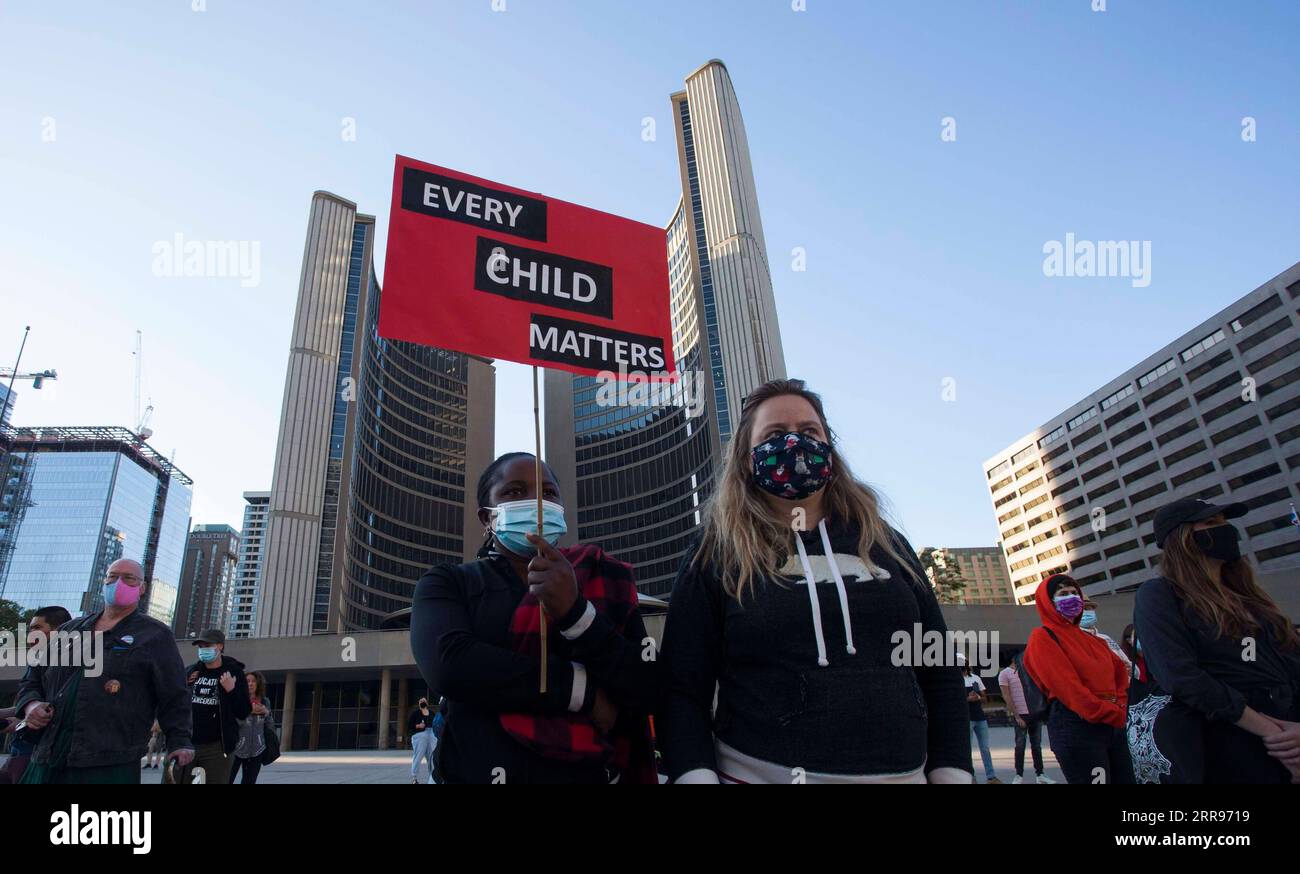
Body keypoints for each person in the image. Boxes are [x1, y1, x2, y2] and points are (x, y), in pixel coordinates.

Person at [659, 378, 973, 783]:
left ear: (829, 445)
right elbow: (681, 686)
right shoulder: (715, 550)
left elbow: (939, 667)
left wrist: (952, 772)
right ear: (747, 457)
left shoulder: (886, 542)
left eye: (808, 432)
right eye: (775, 434)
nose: (794, 443)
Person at [410, 452, 660, 784]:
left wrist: (575, 613)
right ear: (487, 518)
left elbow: (642, 683)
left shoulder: (600, 576)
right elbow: (450, 664)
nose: (536, 502)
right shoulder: (448, 583)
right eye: (514, 491)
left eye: (549, 492)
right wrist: (581, 691)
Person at [1133, 498, 1300, 783]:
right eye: (1211, 523)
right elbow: (1180, 676)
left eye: (1224, 522)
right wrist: (1274, 734)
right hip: (1229, 741)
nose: (1225, 530)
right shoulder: (1160, 594)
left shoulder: (1251, 597)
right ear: (1183, 539)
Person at [14, 560, 194, 783]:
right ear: (104, 581)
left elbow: (174, 694)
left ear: (142, 588)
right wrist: (31, 705)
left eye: (129, 578)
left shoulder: (155, 635)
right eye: (113, 576)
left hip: (109, 761)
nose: (119, 583)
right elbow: (31, 681)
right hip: (48, 755)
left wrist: (180, 741)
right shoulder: (69, 630)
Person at [1024, 574, 1133, 784]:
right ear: (1048, 602)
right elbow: (1067, 687)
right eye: (1063, 594)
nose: (1071, 597)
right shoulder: (1043, 637)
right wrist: (1109, 711)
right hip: (1077, 724)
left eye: (1075, 593)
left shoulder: (1094, 640)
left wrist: (1120, 705)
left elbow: (1120, 672)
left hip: (1113, 723)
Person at [2, 605, 72, 784]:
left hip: (40, 750)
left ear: (59, 631)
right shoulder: (39, 660)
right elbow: (30, 701)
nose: (30, 635)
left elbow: (58, 705)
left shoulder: (71, 663)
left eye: (37, 628)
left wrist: (25, 720)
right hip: (22, 746)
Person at [183, 628, 250, 785]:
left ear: (219, 646)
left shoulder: (234, 673)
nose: (202, 650)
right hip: (187, 742)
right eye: (200, 647)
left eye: (207, 645)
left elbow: (243, 711)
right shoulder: (191, 672)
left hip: (217, 747)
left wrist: (231, 690)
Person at [997, 654, 1052, 784]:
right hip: (1020, 715)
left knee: (1037, 746)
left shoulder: (1028, 671)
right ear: (1013, 659)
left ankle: (1040, 774)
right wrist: (1016, 716)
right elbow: (1006, 696)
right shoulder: (1005, 674)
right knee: (1020, 745)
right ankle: (1018, 775)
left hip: (1034, 713)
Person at [960, 653, 1000, 783]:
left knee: (985, 748)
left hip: (980, 717)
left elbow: (985, 698)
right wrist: (967, 699)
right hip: (967, 718)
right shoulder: (956, 680)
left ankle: (991, 776)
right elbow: (954, 701)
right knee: (968, 749)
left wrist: (977, 697)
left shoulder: (975, 678)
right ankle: (971, 777)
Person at [229, 671, 274, 784]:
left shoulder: (264, 701)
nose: (250, 684)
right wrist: (248, 712)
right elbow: (231, 723)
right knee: (227, 779)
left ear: (258, 684)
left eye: (253, 681)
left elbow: (270, 726)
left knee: (250, 781)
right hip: (236, 748)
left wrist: (267, 713)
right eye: (247, 681)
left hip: (257, 749)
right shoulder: (237, 700)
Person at [1080, 599, 1132, 672]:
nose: (1085, 612)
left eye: (1088, 609)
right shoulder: (1074, 640)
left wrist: (1130, 668)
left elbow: (1127, 663)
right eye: (1081, 609)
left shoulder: (1106, 638)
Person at [408, 696, 437, 784]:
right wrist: (418, 726)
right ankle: (414, 778)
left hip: (431, 734)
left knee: (431, 757)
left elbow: (436, 724)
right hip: (420, 735)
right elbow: (410, 725)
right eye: (421, 701)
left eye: (424, 701)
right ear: (419, 704)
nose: (423, 702)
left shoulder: (431, 713)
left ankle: (432, 777)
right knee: (418, 755)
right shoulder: (415, 713)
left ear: (427, 703)